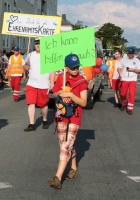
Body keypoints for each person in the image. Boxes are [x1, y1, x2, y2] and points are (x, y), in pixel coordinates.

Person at [47, 54, 88, 189]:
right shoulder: (61, 78)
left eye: (77, 66)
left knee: (66, 146)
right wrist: (59, 93)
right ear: (66, 67)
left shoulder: (82, 81)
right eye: (72, 67)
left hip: (74, 117)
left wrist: (70, 95)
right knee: (66, 145)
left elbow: (83, 102)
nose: (76, 69)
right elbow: (52, 95)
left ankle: (58, 177)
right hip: (61, 116)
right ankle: (74, 168)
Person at [23, 38, 54, 131]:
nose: (38, 45)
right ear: (34, 45)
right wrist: (25, 63)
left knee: (43, 105)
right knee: (31, 103)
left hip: (44, 84)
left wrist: (52, 82)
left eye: (40, 43)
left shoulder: (48, 55)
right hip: (31, 84)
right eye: (36, 43)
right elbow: (25, 68)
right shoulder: (30, 55)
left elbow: (52, 70)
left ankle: (44, 120)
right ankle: (31, 124)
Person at [118, 48, 140, 115]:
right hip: (124, 79)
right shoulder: (124, 60)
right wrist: (120, 74)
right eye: (129, 53)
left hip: (132, 79)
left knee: (132, 94)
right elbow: (119, 67)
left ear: (134, 53)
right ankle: (123, 103)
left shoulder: (137, 61)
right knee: (123, 93)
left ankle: (130, 108)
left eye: (131, 53)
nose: (130, 54)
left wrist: (133, 70)